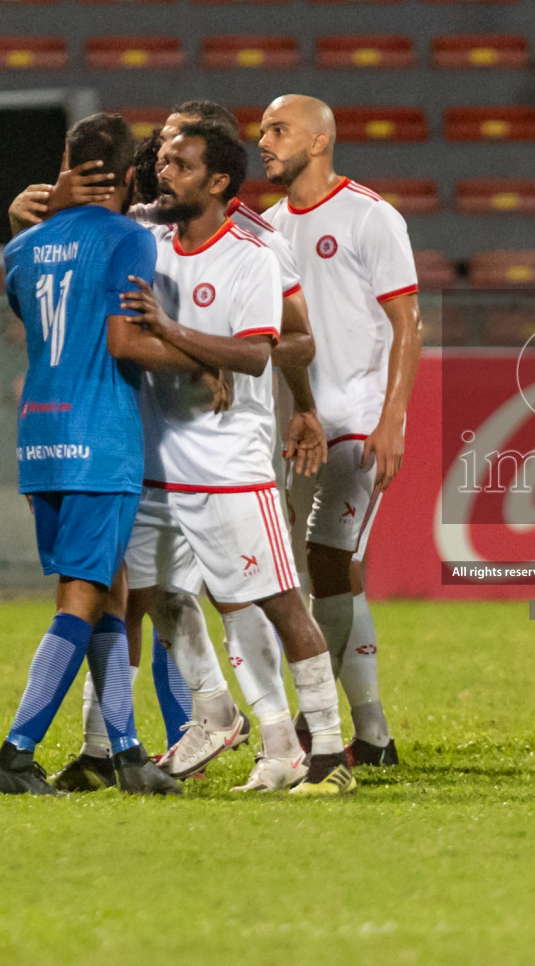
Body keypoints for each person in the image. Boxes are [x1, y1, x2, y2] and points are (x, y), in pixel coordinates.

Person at [113, 119, 358, 797]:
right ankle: (216, 712)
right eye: (161, 161)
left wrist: (175, 334)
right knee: (157, 594)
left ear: (218, 182)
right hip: (159, 456)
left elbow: (256, 353)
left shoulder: (250, 254)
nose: (162, 173)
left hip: (229, 465)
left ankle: (328, 756)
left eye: (179, 164)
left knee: (274, 600)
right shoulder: (148, 239)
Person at [0, 113, 186, 796]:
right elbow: (123, 338)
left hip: (39, 435)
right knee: (83, 593)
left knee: (106, 588)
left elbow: (39, 318)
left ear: (66, 166)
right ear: (129, 173)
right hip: (100, 436)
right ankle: (14, 756)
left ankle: (126, 753)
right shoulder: (130, 239)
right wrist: (203, 358)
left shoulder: (21, 247)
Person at [258, 94, 424, 768]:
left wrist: (391, 420)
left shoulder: (370, 216)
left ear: (320, 140)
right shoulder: (267, 229)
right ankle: (373, 735)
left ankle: (311, 721)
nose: (263, 141)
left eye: (278, 129)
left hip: (358, 421)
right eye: (262, 130)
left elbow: (409, 323)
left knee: (325, 561)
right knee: (334, 574)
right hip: (300, 424)